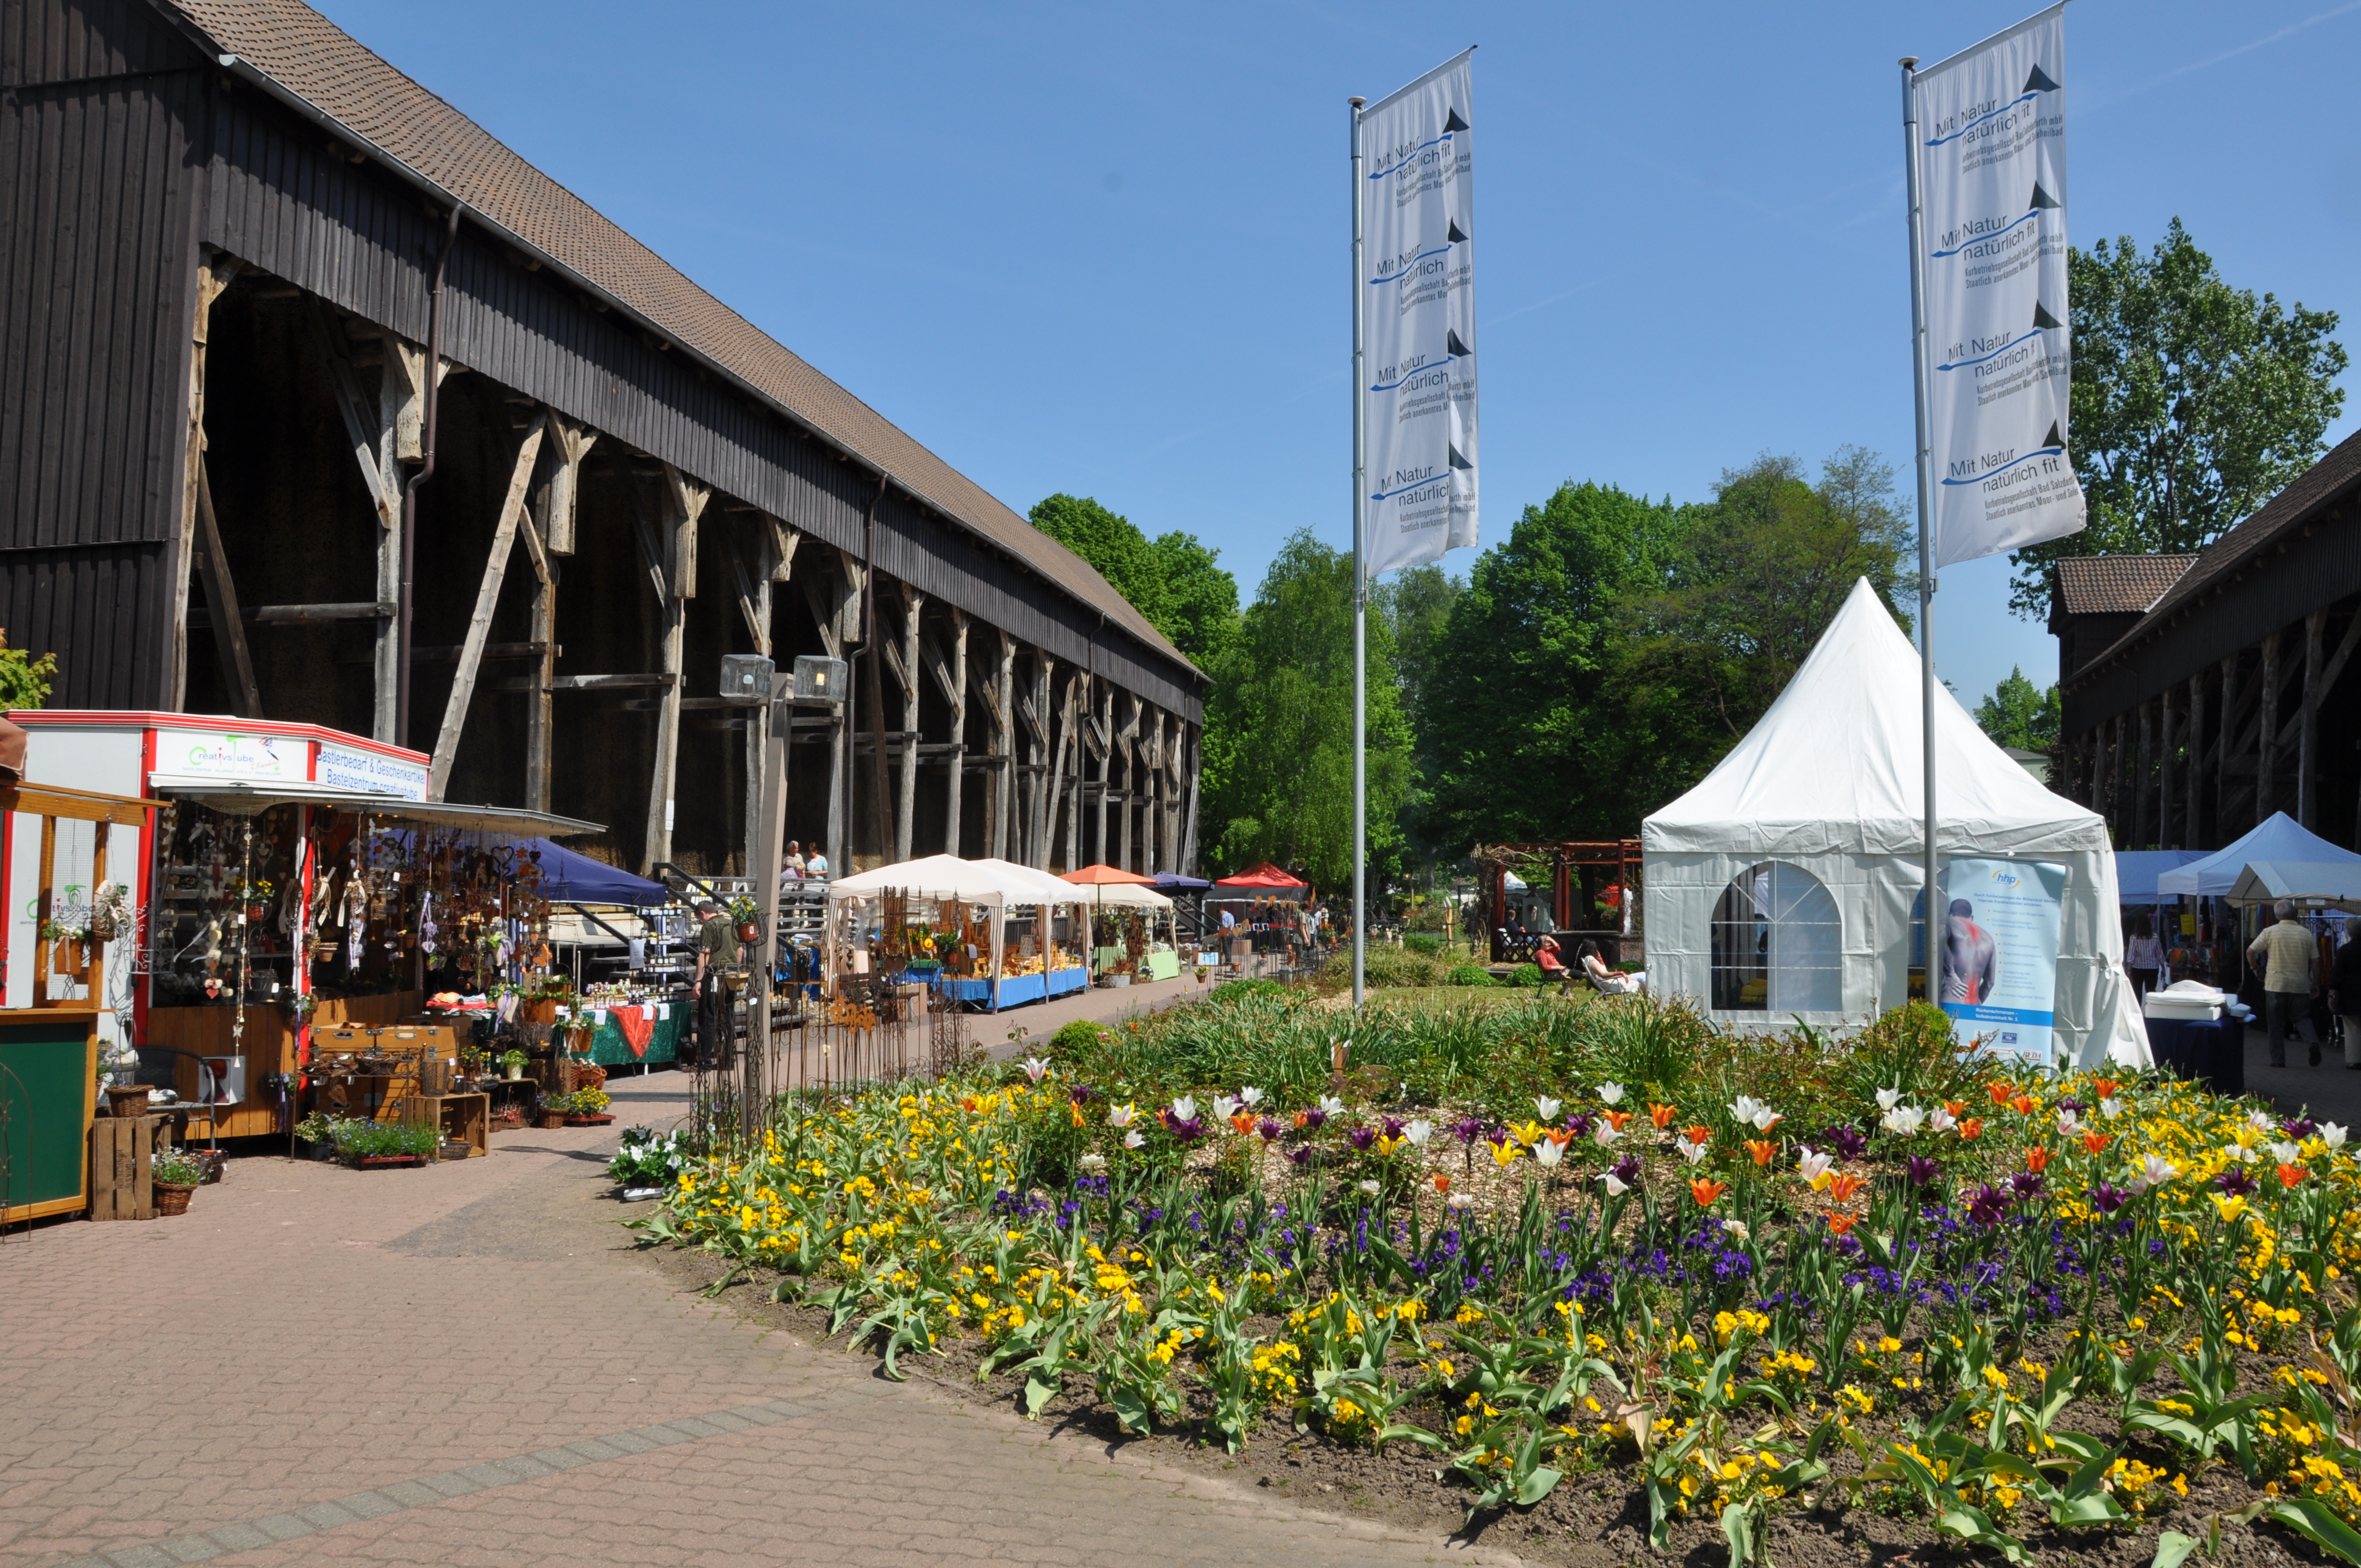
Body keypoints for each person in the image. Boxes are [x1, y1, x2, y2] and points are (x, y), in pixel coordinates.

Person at [2248, 900, 2320, 1068]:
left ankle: (2278, 1060)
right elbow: (2316, 962)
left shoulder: (2269, 932)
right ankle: (2312, 1042)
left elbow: (2250, 951)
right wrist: (2315, 983)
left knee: (2275, 1023)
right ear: (2295, 913)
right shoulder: (2306, 933)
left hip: (2275, 985)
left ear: (2276, 915)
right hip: (2299, 984)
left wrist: (2255, 969)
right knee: (2302, 1018)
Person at [690, 899, 741, 1072]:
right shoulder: (732, 923)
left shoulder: (709, 927)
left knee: (708, 1017)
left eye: (699, 919)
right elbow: (740, 950)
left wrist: (699, 980)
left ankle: (705, 1062)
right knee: (728, 1016)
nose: (700, 922)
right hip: (732, 975)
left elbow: (705, 954)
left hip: (714, 974)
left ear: (703, 914)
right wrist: (735, 968)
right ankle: (728, 1060)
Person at [1941, 899, 1999, 1005]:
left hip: (1952, 999)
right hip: (1974, 1004)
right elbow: (1990, 983)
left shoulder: (1949, 923)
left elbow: (1939, 946)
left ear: (1950, 914)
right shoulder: (1989, 939)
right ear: (1972, 917)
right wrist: (1977, 1004)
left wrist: (1950, 974)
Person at [2333, 917, 2361, 1071]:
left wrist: (2332, 993)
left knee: (2352, 1028)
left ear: (2349, 933)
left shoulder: (2344, 951)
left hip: (2350, 994)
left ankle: (2354, 1059)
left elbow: (2337, 975)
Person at [2124, 913, 2164, 998]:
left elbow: (2131, 955)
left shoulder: (2134, 938)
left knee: (2137, 991)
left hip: (2137, 968)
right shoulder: (2155, 937)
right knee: (2151, 991)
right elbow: (2160, 954)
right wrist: (2163, 968)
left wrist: (2128, 970)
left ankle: (2138, 1009)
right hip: (2152, 967)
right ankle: (2150, 1008)